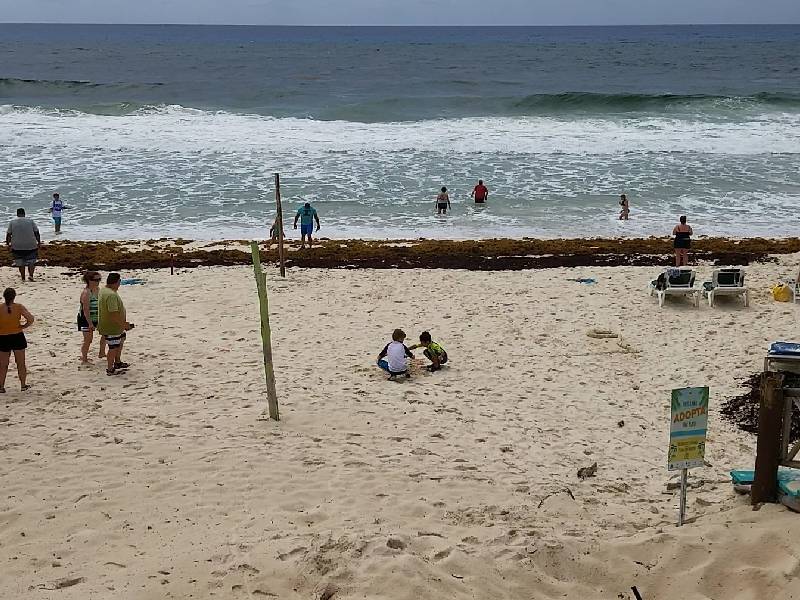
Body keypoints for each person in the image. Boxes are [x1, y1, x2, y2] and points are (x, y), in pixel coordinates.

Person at [98, 272, 133, 376]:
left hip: (112, 325)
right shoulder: (111, 295)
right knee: (113, 347)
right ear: (116, 282)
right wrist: (124, 325)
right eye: (119, 282)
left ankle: (117, 362)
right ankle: (110, 369)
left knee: (120, 341)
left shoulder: (104, 290)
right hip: (112, 327)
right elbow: (113, 314)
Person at [0, 288, 34, 393]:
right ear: (14, 297)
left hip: (3, 337)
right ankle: (23, 385)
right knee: (20, 363)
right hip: (17, 336)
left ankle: (1, 386)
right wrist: (23, 326)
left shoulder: (0, 308)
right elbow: (31, 319)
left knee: (3, 364)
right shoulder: (19, 307)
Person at [6, 208, 41, 282]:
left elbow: (8, 234)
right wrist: (39, 242)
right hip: (30, 244)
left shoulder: (12, 222)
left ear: (17, 214)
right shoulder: (30, 221)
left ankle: (23, 277)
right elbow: (36, 232)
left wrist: (8, 244)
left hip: (17, 246)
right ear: (24, 213)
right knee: (31, 261)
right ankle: (31, 276)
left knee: (20, 262)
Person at [78, 270, 102, 364]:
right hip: (85, 319)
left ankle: (101, 352)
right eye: (96, 280)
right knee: (88, 340)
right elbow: (85, 310)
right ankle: (84, 358)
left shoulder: (98, 289)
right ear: (89, 280)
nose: (98, 282)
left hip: (96, 317)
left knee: (104, 335)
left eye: (99, 279)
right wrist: (90, 323)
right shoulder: (86, 293)